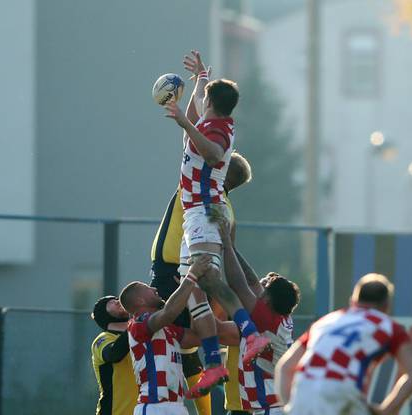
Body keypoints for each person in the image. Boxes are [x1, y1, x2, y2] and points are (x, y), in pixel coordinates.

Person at [163, 49, 269, 397]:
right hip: (195, 211)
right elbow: (196, 108)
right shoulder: (210, 118)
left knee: (206, 276)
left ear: (211, 104)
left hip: (207, 209)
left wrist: (183, 121)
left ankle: (250, 334)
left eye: (203, 98)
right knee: (192, 287)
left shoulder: (220, 130)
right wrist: (200, 78)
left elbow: (214, 153)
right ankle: (213, 363)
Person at [150, 150, 253, 414]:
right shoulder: (227, 209)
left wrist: (188, 115)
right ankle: (249, 337)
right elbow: (230, 253)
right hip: (202, 271)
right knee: (191, 334)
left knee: (164, 332)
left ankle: (247, 337)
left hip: (177, 269)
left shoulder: (195, 189)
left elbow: (192, 149)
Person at [275, 273, 412, 415]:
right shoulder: (387, 325)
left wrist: (291, 406)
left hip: (303, 392)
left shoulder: (326, 322)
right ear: (386, 306)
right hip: (341, 393)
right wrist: (387, 411)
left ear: (353, 301)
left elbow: (285, 367)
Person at [119, 255, 238, 415]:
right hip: (153, 406)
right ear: (140, 301)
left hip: (177, 406)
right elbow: (168, 312)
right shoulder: (138, 325)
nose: (155, 289)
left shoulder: (169, 329)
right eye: (149, 289)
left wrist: (194, 297)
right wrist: (191, 276)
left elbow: (202, 335)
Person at [218, 221, 301, 415]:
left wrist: (227, 247)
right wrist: (232, 248)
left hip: (271, 408)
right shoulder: (275, 317)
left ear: (268, 299)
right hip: (269, 407)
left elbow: (239, 284)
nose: (259, 288)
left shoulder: (266, 321)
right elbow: (251, 280)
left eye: (264, 287)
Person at [91, 295, 139, 415]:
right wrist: (135, 323)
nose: (119, 302)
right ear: (103, 314)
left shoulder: (139, 336)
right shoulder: (103, 339)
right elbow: (114, 354)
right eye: (112, 302)